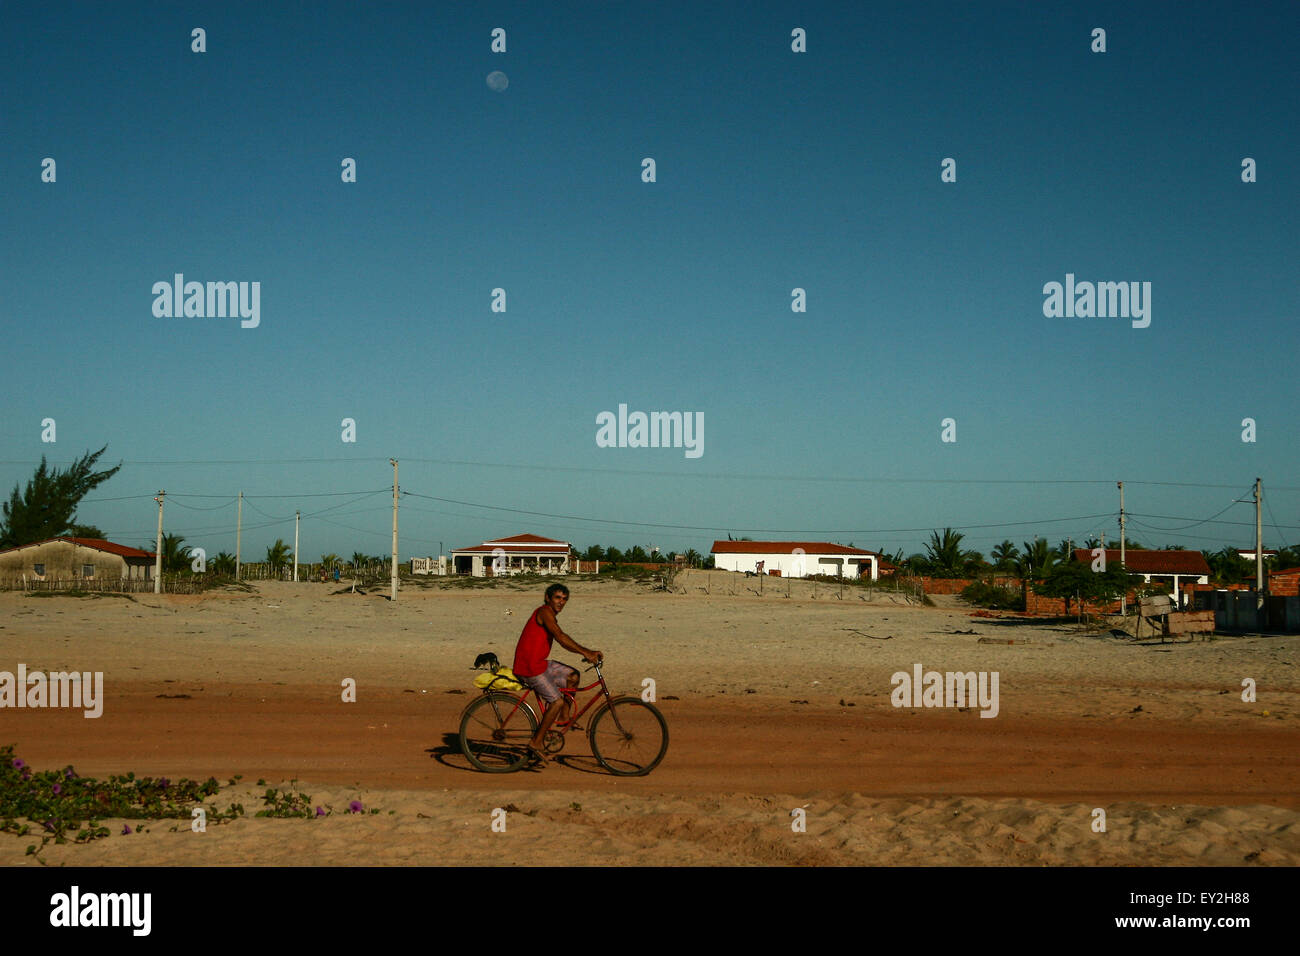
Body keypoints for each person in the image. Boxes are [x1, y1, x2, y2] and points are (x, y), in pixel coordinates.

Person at [512, 583, 601, 764]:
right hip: (529, 667)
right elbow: (560, 637)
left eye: (564, 599)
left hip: (540, 664)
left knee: (573, 676)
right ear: (548, 598)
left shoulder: (550, 614)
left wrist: (587, 651)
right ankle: (536, 742)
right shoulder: (544, 612)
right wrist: (586, 652)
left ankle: (564, 717)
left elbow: (561, 637)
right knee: (557, 701)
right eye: (558, 598)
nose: (561, 602)